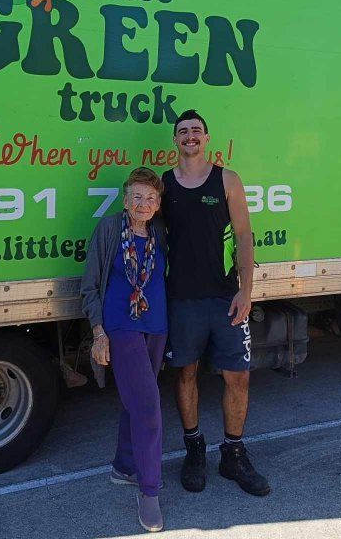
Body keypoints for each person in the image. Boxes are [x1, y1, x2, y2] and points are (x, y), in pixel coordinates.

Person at [161, 110, 270, 496]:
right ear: (175, 141)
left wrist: (246, 290)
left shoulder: (227, 179)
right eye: (182, 132)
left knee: (237, 376)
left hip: (226, 298)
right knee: (185, 375)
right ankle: (194, 449)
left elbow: (243, 236)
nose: (189, 136)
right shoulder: (164, 185)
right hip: (182, 300)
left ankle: (233, 454)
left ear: (207, 139)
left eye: (196, 131)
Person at [80, 167, 169, 532]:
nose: (143, 204)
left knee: (134, 401)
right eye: (136, 196)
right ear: (124, 199)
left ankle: (125, 466)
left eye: (150, 198)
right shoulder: (108, 230)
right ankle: (149, 490)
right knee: (148, 407)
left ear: (159, 203)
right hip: (121, 327)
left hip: (157, 326)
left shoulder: (160, 232)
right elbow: (90, 285)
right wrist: (99, 333)